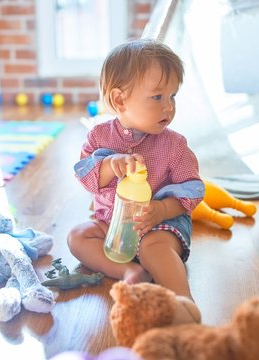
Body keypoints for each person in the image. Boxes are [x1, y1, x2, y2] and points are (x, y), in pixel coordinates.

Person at [68, 38, 204, 319]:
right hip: (112, 226)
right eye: (157, 97)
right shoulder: (100, 137)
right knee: (78, 237)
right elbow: (85, 175)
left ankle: (184, 303)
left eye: (172, 96)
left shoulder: (174, 145)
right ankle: (129, 271)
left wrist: (162, 210)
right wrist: (108, 164)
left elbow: (192, 189)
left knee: (154, 248)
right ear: (119, 100)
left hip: (159, 228)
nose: (168, 107)